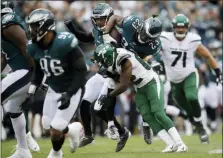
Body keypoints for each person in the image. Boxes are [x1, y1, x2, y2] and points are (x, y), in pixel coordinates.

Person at [94, 43, 188, 152]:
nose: (102, 64)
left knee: (158, 113)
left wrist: (107, 96)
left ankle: (180, 144)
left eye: (103, 61)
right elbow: (116, 78)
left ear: (108, 57)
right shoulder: (113, 58)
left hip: (151, 82)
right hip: (139, 87)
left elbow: (124, 85)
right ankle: (170, 144)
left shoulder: (124, 60)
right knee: (147, 116)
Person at [65, 3, 130, 152]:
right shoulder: (97, 30)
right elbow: (87, 37)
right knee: (84, 102)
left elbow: (125, 56)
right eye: (97, 19)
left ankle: (120, 131)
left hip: (114, 76)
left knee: (99, 109)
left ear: (110, 18)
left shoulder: (117, 32)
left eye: (102, 19)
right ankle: (89, 135)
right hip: (101, 73)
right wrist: (73, 29)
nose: (99, 22)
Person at [25, 8, 87, 157]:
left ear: (46, 26)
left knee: (55, 129)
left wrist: (70, 94)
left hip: (71, 89)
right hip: (53, 89)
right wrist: (32, 89)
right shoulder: (34, 47)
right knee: (47, 126)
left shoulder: (65, 43)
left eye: (34, 26)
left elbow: (81, 71)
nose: (31, 30)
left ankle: (56, 153)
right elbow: (39, 70)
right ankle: (73, 130)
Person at [160, 14, 223, 144]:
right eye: (178, 27)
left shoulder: (193, 40)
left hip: (189, 75)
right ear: (173, 27)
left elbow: (208, 56)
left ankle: (201, 128)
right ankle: (198, 125)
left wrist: (218, 72)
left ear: (188, 27)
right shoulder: (165, 39)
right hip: (173, 80)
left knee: (192, 97)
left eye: (183, 27)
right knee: (187, 110)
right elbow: (152, 50)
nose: (181, 30)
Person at [1, 1, 40, 157]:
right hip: (20, 71)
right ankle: (23, 151)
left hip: (27, 71)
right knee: (13, 108)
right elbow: (4, 56)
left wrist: (37, 74)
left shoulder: (7, 22)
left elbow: (26, 47)